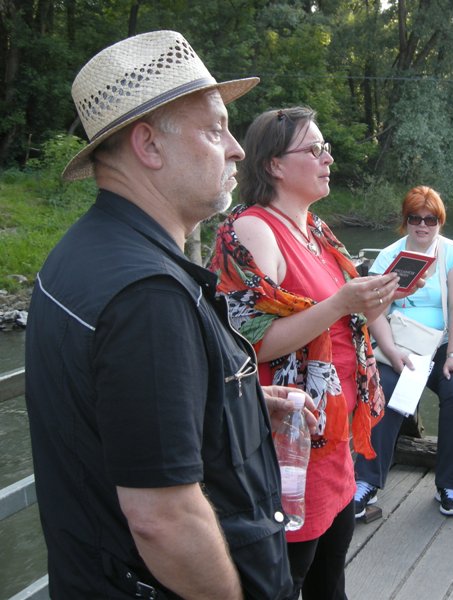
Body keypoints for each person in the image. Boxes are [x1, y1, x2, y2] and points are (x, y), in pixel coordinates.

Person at [24, 31, 305, 598]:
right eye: (215, 129)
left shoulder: (83, 253)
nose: (237, 149)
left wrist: (239, 402)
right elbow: (163, 519)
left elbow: (116, 418)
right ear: (149, 146)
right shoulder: (148, 296)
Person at [211, 106, 403, 600]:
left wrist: (375, 300)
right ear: (274, 164)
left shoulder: (315, 230)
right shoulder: (253, 229)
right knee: (288, 580)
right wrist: (341, 302)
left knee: (330, 579)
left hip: (333, 435)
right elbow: (246, 342)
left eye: (327, 148)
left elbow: (339, 320)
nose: (327, 158)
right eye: (314, 149)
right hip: (290, 443)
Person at [353, 186, 453, 517]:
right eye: (415, 218)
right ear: (405, 220)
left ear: (440, 221)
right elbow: (374, 312)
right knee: (383, 385)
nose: (422, 225)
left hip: (443, 344)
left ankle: (450, 484)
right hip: (400, 343)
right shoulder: (389, 256)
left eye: (430, 219)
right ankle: (366, 481)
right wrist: (391, 352)